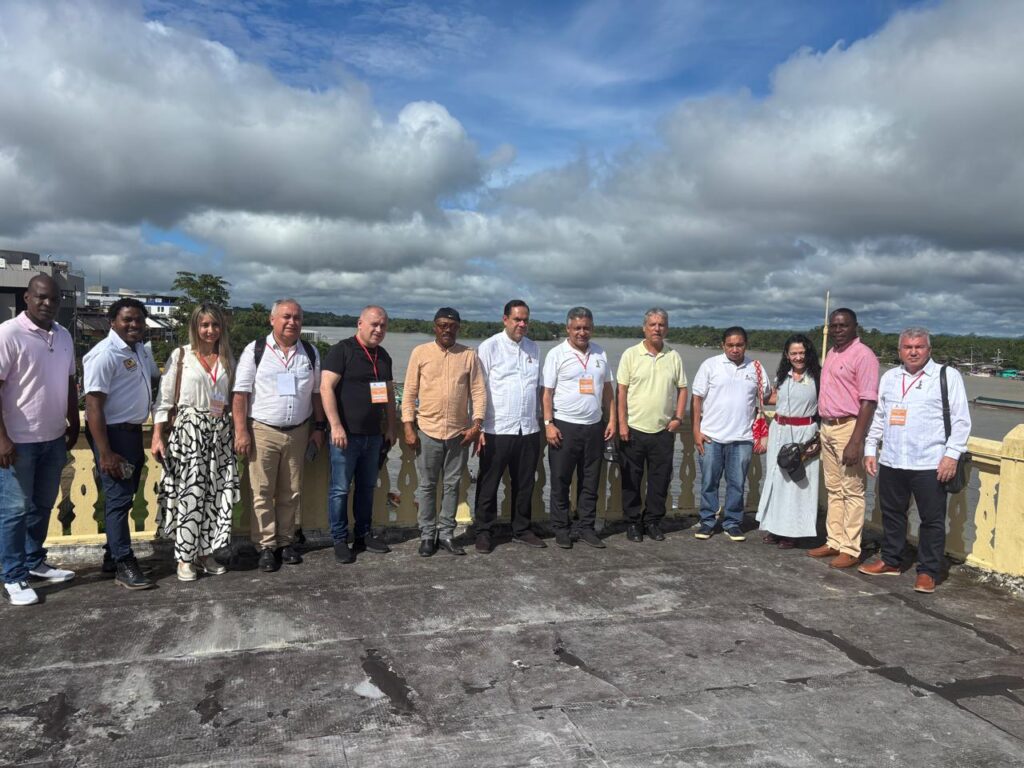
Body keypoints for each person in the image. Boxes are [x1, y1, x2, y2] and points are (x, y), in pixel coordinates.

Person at [859, 328, 970, 594]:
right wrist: (870, 448)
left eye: (919, 347)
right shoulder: (890, 377)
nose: (913, 351)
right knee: (892, 513)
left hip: (930, 462)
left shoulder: (946, 376)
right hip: (894, 459)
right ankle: (891, 559)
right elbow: (881, 416)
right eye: (907, 347)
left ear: (928, 349)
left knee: (931, 519)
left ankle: (928, 571)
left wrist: (951, 455)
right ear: (899, 351)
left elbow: (961, 420)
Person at [0, 275, 80, 606]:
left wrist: (74, 423)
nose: (48, 304)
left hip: (53, 437)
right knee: (14, 510)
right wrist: (2, 438)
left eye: (54, 299)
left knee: (43, 505)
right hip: (18, 440)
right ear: (26, 298)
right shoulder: (8, 334)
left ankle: (34, 562)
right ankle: (13, 575)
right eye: (41, 298)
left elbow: (70, 382)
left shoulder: (63, 336)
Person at [232, 299, 324, 573]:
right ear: (272, 320)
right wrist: (241, 431)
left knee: (291, 492)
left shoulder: (310, 352)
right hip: (263, 431)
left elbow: (317, 394)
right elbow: (241, 394)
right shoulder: (256, 350)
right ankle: (265, 546)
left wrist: (319, 428)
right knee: (261, 492)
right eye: (286, 316)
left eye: (297, 317)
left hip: (298, 431)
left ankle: (285, 542)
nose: (292, 322)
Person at [152, 304, 239, 582]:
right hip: (189, 432)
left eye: (215, 325)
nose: (210, 330)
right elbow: (164, 400)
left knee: (214, 495)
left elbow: (233, 399)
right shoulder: (181, 357)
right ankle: (184, 557)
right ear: (195, 327)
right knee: (190, 496)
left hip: (219, 434)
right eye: (204, 325)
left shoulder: (227, 359)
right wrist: (157, 435)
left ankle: (206, 553)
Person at [84, 298, 161, 590]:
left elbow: (149, 383)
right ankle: (124, 562)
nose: (134, 325)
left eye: (139, 320)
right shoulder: (104, 354)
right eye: (127, 320)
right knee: (117, 500)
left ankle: (111, 556)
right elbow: (93, 407)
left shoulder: (139, 349)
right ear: (112, 321)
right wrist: (105, 452)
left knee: (126, 497)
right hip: (112, 435)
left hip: (131, 434)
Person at [402, 308, 486, 556]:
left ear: (459, 327)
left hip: (459, 433)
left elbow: (479, 392)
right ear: (434, 326)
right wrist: (408, 426)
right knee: (427, 486)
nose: (447, 329)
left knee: (452, 485)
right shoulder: (420, 353)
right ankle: (428, 535)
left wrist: (476, 426)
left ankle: (447, 534)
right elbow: (409, 393)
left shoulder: (469, 355)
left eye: (451, 325)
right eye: (442, 325)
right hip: (427, 430)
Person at [320, 305, 397, 564]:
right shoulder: (342, 351)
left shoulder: (384, 356)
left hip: (374, 436)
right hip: (346, 436)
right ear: (360, 323)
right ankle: (340, 539)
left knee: (366, 487)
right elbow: (326, 388)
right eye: (374, 324)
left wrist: (391, 426)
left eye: (383, 326)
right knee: (340, 489)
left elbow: (388, 396)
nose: (378, 330)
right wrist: (336, 425)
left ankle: (363, 534)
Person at [808, 308, 878, 569]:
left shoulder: (864, 356)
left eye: (843, 326)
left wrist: (856, 441)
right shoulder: (833, 353)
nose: (838, 330)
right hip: (827, 427)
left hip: (849, 428)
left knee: (853, 490)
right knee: (834, 489)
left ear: (855, 327)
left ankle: (850, 547)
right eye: (834, 326)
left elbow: (868, 401)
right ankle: (834, 540)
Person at [542, 306, 616, 549]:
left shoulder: (600, 353)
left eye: (586, 328)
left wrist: (612, 419)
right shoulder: (556, 354)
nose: (581, 332)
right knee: (561, 481)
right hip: (565, 426)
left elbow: (607, 390)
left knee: (591, 481)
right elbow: (547, 393)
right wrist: (549, 423)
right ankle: (561, 528)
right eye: (577, 328)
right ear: (568, 329)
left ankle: (586, 527)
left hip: (594, 427)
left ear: (591, 328)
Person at [473, 300, 544, 553]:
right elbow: (478, 389)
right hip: (496, 428)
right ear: (505, 320)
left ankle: (522, 528)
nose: (522, 324)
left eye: (525, 320)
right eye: (517, 319)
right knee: (488, 483)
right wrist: (478, 426)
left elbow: (539, 390)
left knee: (525, 483)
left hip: (528, 429)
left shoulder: (534, 349)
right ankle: (483, 531)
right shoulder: (489, 347)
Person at [690, 327, 771, 541]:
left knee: (737, 483)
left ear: (746, 345)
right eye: (730, 345)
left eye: (739, 345)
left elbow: (768, 397)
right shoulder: (710, 365)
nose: (735, 349)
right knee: (709, 482)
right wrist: (696, 431)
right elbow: (696, 398)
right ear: (723, 346)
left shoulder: (756, 368)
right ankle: (707, 522)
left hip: (743, 438)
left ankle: (732, 522)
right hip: (711, 437)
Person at [616, 308, 688, 543]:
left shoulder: (673, 356)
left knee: (660, 480)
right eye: (653, 324)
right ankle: (633, 523)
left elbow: (683, 388)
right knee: (631, 481)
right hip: (633, 430)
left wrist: (678, 417)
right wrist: (622, 424)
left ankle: (653, 522)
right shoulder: (630, 354)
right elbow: (621, 391)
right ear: (644, 327)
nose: (657, 328)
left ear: (666, 328)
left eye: (662, 324)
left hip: (663, 431)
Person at [756, 335, 821, 549]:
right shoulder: (782, 376)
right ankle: (775, 528)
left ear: (808, 353)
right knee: (777, 479)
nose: (798, 357)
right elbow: (772, 398)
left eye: (802, 352)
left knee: (798, 483)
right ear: (787, 355)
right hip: (780, 431)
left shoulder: (818, 377)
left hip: (804, 433)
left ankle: (793, 532)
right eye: (794, 353)